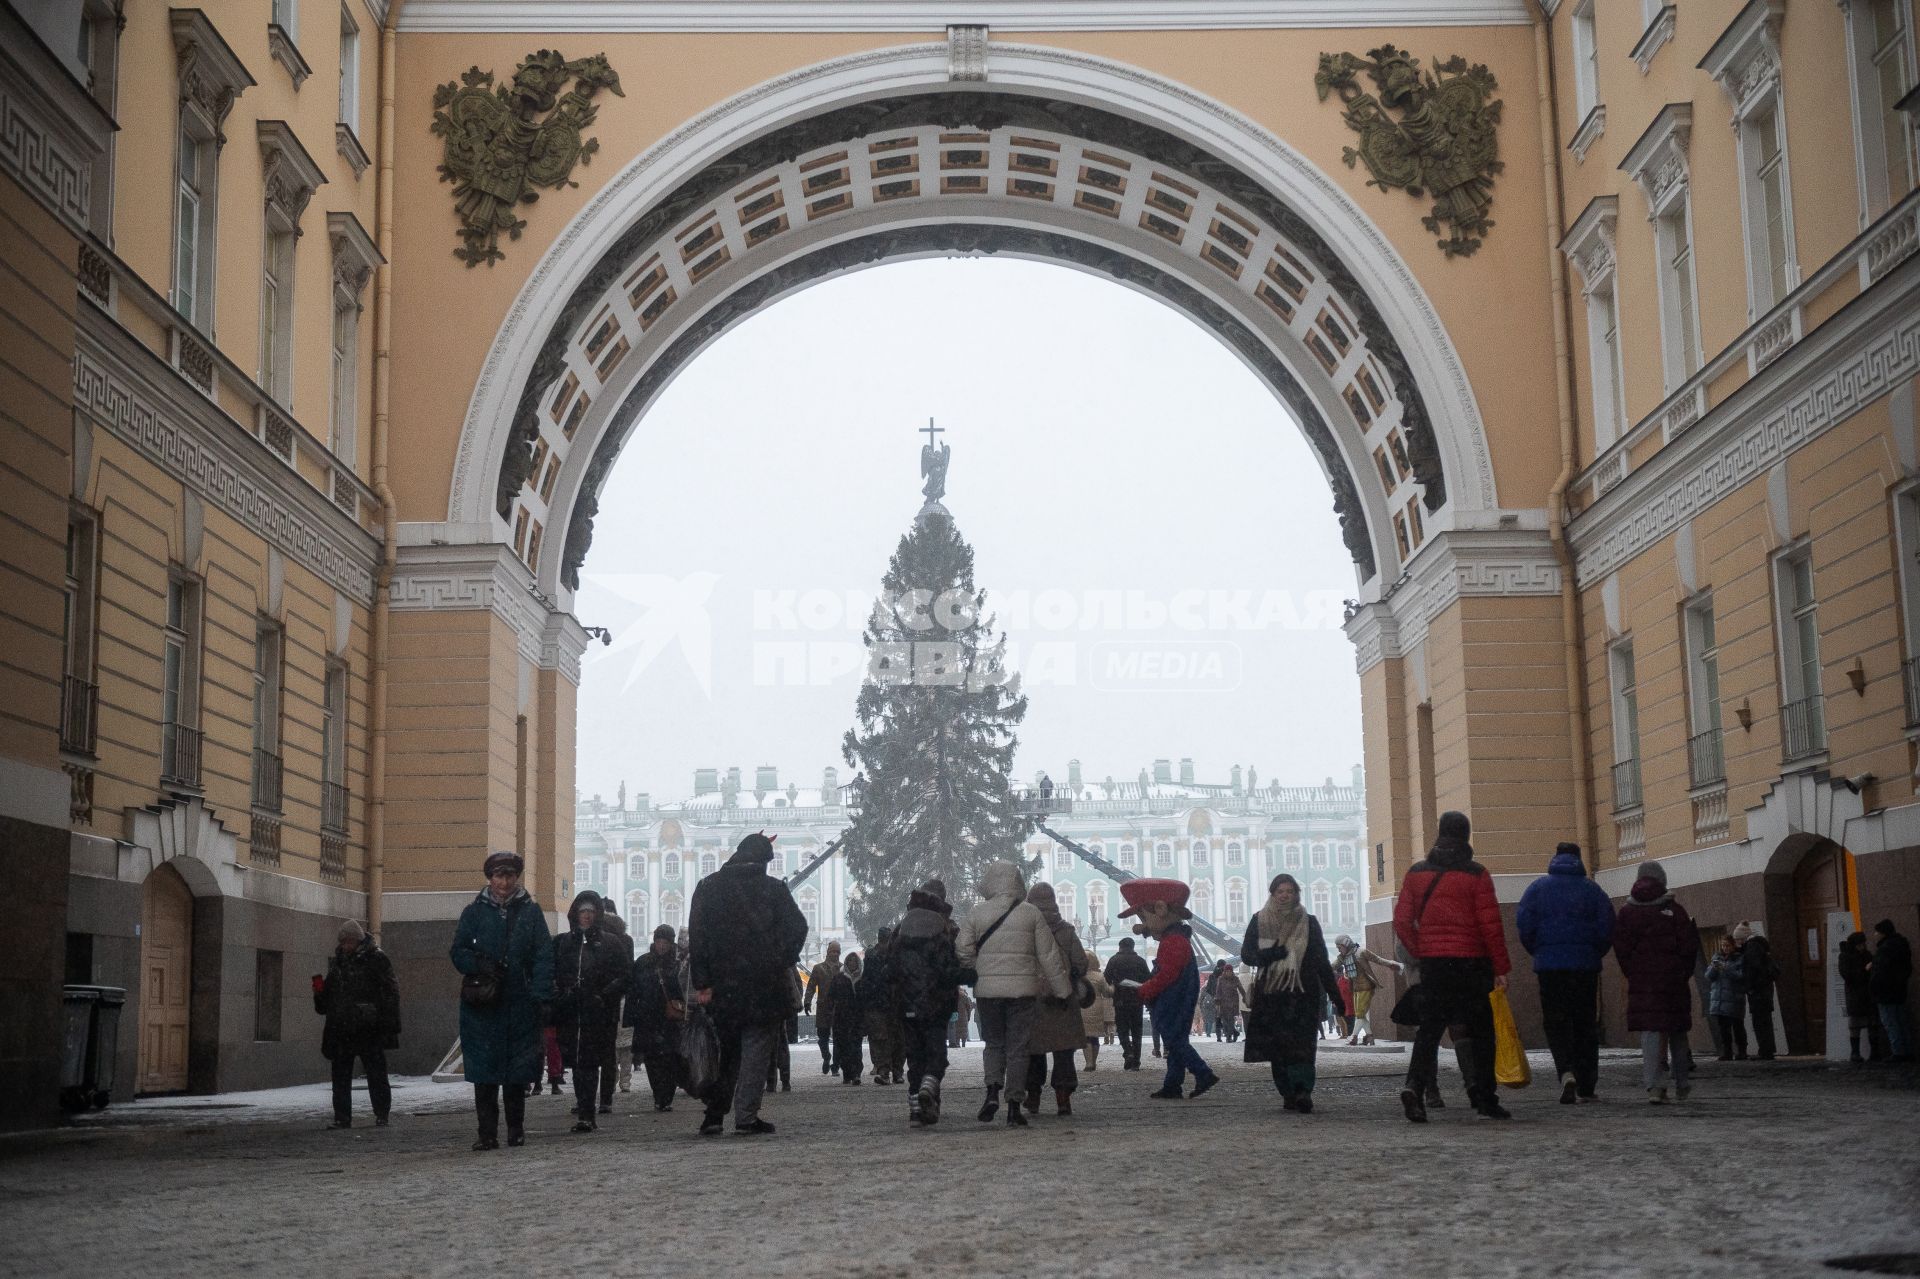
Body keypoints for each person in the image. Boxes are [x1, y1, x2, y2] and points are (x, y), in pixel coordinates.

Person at [1391, 811, 1512, 1122]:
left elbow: (1402, 920)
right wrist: (1500, 967)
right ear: (1466, 835)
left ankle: (1414, 1087)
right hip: (1473, 964)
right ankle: (1485, 1097)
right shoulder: (1476, 874)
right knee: (1481, 1031)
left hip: (1435, 965)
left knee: (1429, 1031)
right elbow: (1491, 926)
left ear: (1439, 833)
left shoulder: (1417, 873)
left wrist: (1422, 950)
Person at [688, 831, 809, 1136]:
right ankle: (746, 1116)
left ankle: (714, 1114)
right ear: (765, 862)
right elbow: (798, 927)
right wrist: (779, 958)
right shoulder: (772, 889)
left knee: (724, 1052)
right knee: (756, 1051)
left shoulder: (708, 887)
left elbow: (697, 938)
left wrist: (703, 981)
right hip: (762, 985)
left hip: (722, 985)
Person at [450, 851, 554, 1151]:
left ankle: (516, 1130)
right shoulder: (474, 912)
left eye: (509, 876)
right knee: (484, 1073)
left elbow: (543, 955)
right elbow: (457, 952)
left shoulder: (531, 913)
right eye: (498, 876)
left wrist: (542, 995)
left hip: (520, 1003)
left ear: (516, 878)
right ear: (490, 878)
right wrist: (481, 965)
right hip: (483, 1004)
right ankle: (486, 1133)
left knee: (516, 1072)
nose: (504, 882)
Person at [956, 860, 1071, 1128]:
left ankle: (992, 1091)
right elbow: (1049, 955)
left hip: (988, 992)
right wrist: (1062, 990)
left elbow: (962, 948)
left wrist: (978, 967)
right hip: (1023, 993)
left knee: (994, 1044)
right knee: (1018, 1048)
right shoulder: (1031, 913)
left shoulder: (977, 912)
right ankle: (1014, 1106)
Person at [1516, 840, 1615, 1104]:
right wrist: (1593, 952)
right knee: (1585, 1024)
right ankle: (1586, 1085)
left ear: (1555, 858)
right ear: (1579, 859)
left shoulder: (1537, 889)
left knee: (1556, 1022)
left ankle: (1565, 1071)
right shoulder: (1592, 890)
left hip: (1550, 967)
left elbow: (1524, 925)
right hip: (1584, 967)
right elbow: (1607, 927)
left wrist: (1539, 950)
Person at [1240, 873, 1341, 1112]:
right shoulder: (1259, 920)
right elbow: (1247, 954)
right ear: (1273, 894)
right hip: (1272, 995)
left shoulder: (1309, 922)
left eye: (1290, 891)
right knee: (1279, 1048)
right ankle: (1287, 1091)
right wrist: (1270, 955)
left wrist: (1335, 995)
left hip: (1303, 993)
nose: (1285, 896)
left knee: (1303, 1045)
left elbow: (1321, 961)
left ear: (1296, 894)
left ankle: (1303, 1090)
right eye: (1280, 892)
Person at [1123, 878, 1219, 1101]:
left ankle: (1203, 1072)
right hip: (1178, 998)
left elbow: (1167, 975)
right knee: (1176, 1041)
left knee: (1174, 1039)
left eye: (1144, 917)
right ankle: (1172, 1085)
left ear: (1160, 910)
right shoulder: (1175, 939)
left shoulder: (1173, 942)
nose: (1143, 923)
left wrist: (1146, 989)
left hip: (1173, 999)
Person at [1613, 860, 1698, 1104]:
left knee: (1650, 1032)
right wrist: (1682, 972)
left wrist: (1633, 971)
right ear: (1662, 881)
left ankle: (1654, 1086)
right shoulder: (1675, 910)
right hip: (1672, 980)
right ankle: (1682, 1083)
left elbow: (1621, 947)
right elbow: (1689, 945)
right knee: (1677, 1030)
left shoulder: (1627, 913)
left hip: (1643, 981)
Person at [551, 890, 628, 1132]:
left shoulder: (610, 943)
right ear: (576, 913)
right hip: (572, 1012)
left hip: (598, 1013)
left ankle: (587, 1112)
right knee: (576, 1062)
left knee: (590, 1062)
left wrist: (603, 995)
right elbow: (554, 973)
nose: (586, 916)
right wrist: (562, 993)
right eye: (583, 911)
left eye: (591, 912)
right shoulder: (564, 943)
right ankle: (583, 1106)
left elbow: (624, 976)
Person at [313, 919, 399, 1129]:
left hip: (368, 1027)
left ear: (358, 940)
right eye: (343, 943)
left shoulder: (376, 959)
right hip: (342, 1028)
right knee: (341, 1075)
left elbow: (390, 992)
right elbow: (327, 1001)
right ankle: (342, 1117)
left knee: (375, 1072)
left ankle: (381, 1113)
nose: (345, 946)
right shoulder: (339, 963)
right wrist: (318, 990)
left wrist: (378, 1016)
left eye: (348, 942)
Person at [893, 879, 963, 1126]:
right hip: (936, 1003)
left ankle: (916, 1111)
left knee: (914, 1058)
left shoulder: (902, 928)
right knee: (936, 1055)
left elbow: (890, 965)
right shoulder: (946, 929)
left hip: (906, 1004)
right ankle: (929, 1090)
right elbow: (950, 967)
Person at [1022, 882, 1088, 1117]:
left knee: (1034, 1052)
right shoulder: (1067, 931)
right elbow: (1081, 963)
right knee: (1063, 1053)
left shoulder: (1025, 931)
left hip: (1033, 1001)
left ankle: (1033, 1096)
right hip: (1063, 1001)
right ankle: (1063, 1099)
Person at [626, 924, 685, 1111]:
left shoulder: (677, 964)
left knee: (670, 1058)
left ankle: (666, 1095)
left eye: (665, 942)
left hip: (670, 1018)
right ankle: (659, 1096)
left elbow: (682, 990)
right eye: (659, 941)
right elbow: (633, 990)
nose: (661, 945)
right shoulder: (643, 962)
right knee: (652, 1059)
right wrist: (631, 1015)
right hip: (647, 1017)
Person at [1332, 934, 1402, 1046]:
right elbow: (1332, 966)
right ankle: (1370, 1037)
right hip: (1354, 988)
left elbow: (1378, 960)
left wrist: (1391, 964)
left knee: (1359, 1013)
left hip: (1366, 987)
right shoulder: (1342, 957)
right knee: (1360, 1014)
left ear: (1346, 943)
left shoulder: (1361, 952)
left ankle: (1353, 1037)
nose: (1339, 950)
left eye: (1340, 947)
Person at [599, 907, 636, 1101]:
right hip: (621, 999)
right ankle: (623, 1082)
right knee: (624, 1049)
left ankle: (610, 1084)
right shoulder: (626, 941)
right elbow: (628, 972)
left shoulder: (601, 942)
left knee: (610, 1048)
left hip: (606, 999)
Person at [864, 927, 905, 1085]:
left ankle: (890, 1072)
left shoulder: (879, 957)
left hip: (886, 1004)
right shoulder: (879, 957)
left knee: (890, 1039)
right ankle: (889, 1071)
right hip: (886, 1004)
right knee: (889, 1039)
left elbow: (866, 982)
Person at [1732, 922, 1779, 1060]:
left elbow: (1754, 969)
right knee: (1765, 1021)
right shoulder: (1758, 946)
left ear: (1743, 938)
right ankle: (1767, 1050)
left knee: (1760, 1022)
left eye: (1737, 939)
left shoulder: (1752, 948)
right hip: (1764, 990)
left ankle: (1765, 1051)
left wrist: (1750, 987)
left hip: (1758, 991)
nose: (1737, 942)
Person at [1837, 932, 1882, 1064]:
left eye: (1863, 944)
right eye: (1860, 944)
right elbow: (1847, 975)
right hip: (1855, 995)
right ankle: (1855, 1053)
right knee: (1855, 1024)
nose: (1863, 946)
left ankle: (1875, 1052)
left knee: (1872, 1023)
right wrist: (1864, 970)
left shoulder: (1866, 954)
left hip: (1868, 994)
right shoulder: (1845, 956)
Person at [1105, 938, 1150, 1070]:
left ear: (1120, 947)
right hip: (1137, 1001)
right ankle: (1136, 1062)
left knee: (1122, 1029)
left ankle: (1128, 1051)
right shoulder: (1140, 961)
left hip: (1120, 1000)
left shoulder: (1113, 960)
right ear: (1133, 947)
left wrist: (1116, 983)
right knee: (1137, 1031)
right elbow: (1148, 979)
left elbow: (1106, 978)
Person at [1872, 919, 1913, 1063]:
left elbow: (1880, 972)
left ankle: (1898, 1052)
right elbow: (1907, 969)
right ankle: (1907, 1050)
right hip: (1899, 990)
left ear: (1883, 933)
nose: (1874, 934)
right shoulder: (1902, 945)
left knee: (1890, 1022)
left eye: (1877, 931)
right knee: (1901, 1021)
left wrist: (1874, 986)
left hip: (1885, 992)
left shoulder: (1885, 949)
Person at [803, 940, 844, 1075]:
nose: (835, 954)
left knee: (839, 1038)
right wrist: (807, 1002)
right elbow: (810, 986)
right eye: (833, 951)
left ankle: (836, 1066)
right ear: (828, 952)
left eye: (838, 951)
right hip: (823, 1007)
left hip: (839, 1009)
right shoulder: (818, 968)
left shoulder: (843, 968)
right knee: (823, 1038)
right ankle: (826, 1057)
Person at [1705, 936, 1748, 1061]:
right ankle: (1727, 1052)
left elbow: (1740, 976)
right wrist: (1714, 967)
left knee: (1737, 1026)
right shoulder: (1716, 957)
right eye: (1723, 945)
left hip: (1734, 998)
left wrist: (1726, 968)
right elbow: (1708, 976)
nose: (1725, 948)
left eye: (1727, 945)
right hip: (1719, 999)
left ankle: (1742, 1051)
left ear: (1733, 946)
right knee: (1723, 1029)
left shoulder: (1739, 959)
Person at [830, 952, 865, 1084]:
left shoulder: (862, 978)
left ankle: (856, 1073)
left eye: (854, 961)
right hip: (842, 1017)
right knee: (844, 1046)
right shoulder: (839, 977)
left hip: (857, 1017)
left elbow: (865, 997)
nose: (852, 963)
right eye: (849, 961)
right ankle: (847, 1072)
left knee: (856, 1046)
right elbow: (831, 997)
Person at [1081, 960, 1113, 1071]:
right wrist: (1113, 987)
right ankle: (1093, 1062)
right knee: (1094, 1036)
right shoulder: (1099, 977)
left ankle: (1088, 1063)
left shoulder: (1079, 975)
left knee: (1086, 1036)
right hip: (1097, 1005)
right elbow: (1107, 992)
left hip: (1082, 1005)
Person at [1214, 961, 1246, 1044]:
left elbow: (1241, 989)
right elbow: (1218, 990)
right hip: (1223, 1003)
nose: (1228, 972)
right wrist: (1217, 1000)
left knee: (1231, 1021)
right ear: (1224, 971)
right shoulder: (1221, 979)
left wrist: (1245, 997)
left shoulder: (1235, 979)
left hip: (1233, 1003)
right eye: (1227, 971)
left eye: (1230, 971)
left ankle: (1228, 1037)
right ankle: (1235, 1033)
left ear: (1232, 971)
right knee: (1224, 1022)